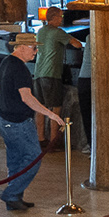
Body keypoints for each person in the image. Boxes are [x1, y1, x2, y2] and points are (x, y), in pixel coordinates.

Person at [0, 33, 63, 211]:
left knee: (15, 160)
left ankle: (15, 199)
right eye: (33, 48)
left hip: (4, 119)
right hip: (18, 122)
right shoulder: (20, 69)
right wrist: (50, 114)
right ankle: (11, 194)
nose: (36, 51)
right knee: (33, 157)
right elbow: (27, 98)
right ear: (21, 47)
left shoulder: (5, 62)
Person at [33, 7, 74, 139]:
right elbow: (77, 44)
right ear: (54, 17)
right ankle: (53, 140)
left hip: (38, 72)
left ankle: (40, 138)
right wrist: (69, 37)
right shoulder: (57, 32)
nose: (62, 19)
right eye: (60, 16)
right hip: (52, 73)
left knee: (40, 108)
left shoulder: (40, 31)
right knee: (55, 108)